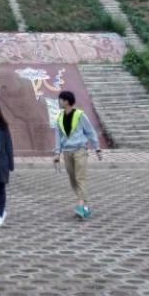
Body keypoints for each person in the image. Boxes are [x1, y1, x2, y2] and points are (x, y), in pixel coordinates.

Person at [53, 90, 102, 219]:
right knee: (73, 179)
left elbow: (90, 132)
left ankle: (80, 205)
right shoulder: (59, 117)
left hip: (80, 150)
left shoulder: (80, 115)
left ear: (67, 101)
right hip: (67, 151)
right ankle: (85, 206)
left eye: (60, 100)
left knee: (80, 178)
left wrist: (97, 148)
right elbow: (58, 137)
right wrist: (57, 153)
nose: (59, 102)